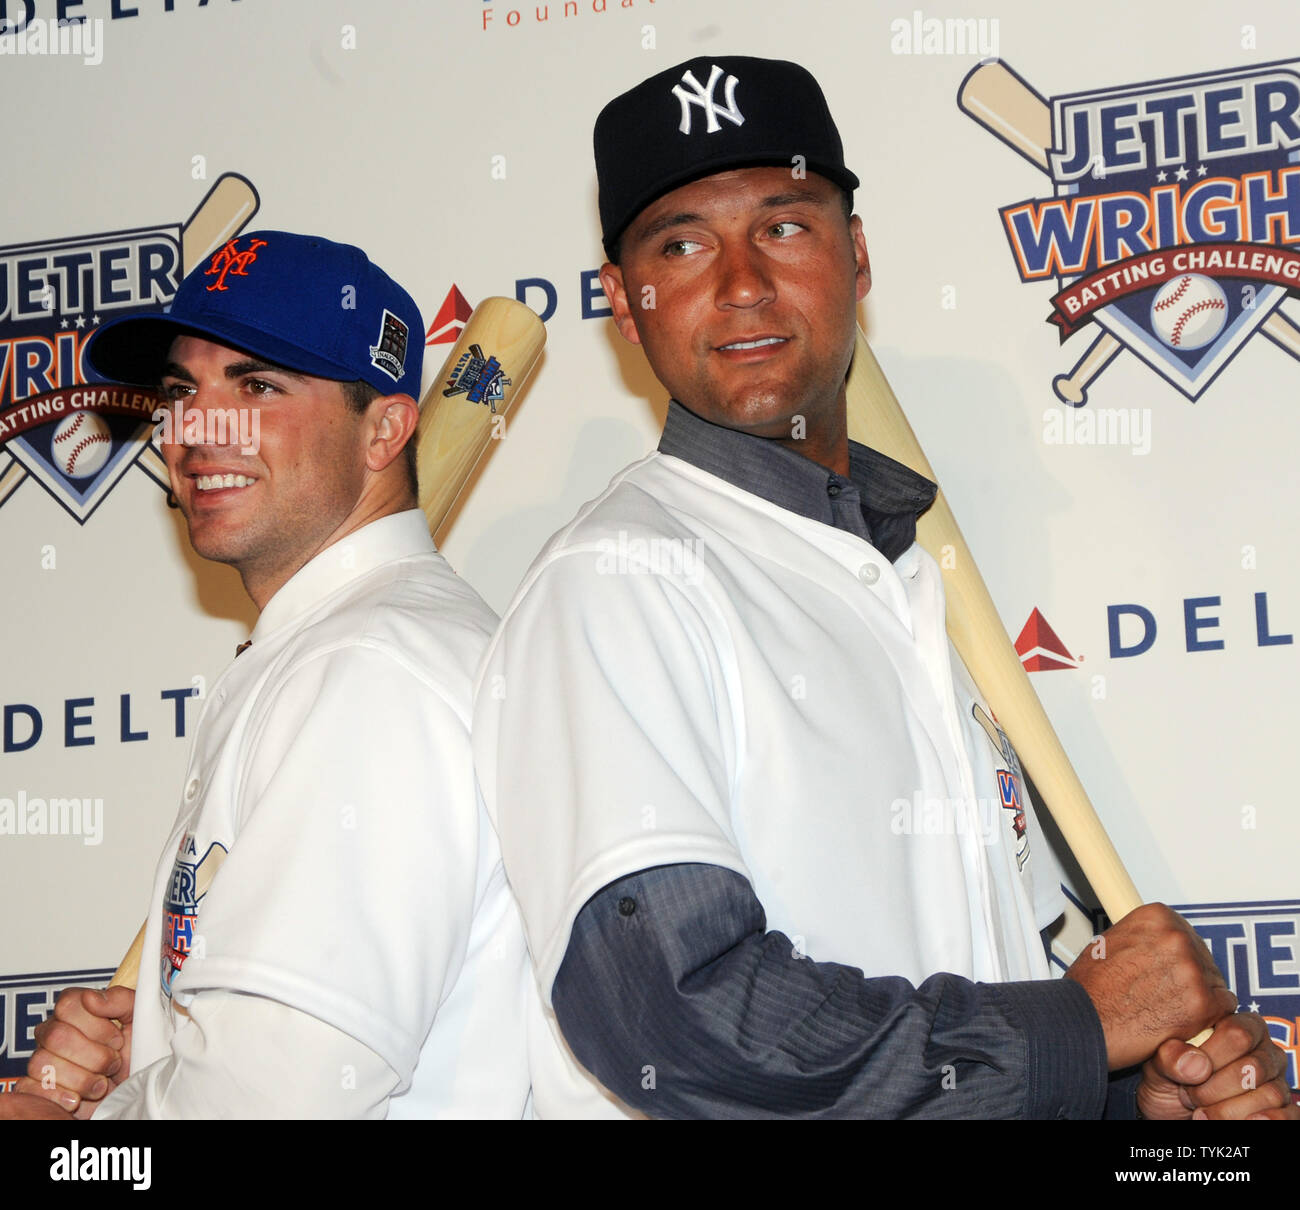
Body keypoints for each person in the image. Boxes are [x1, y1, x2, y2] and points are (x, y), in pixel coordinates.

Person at [472, 56, 1297, 1119]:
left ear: (855, 258)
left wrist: (1135, 1104)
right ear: (624, 309)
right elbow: (679, 1019)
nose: (740, 285)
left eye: (783, 225)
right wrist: (1074, 1030)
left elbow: (977, 984)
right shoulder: (615, 587)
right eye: (680, 245)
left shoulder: (905, 582)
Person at [7, 230, 528, 1119]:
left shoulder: (369, 671)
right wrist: (150, 1058)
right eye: (180, 391)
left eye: (256, 386)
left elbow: (274, 1102)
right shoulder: (330, 649)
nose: (198, 429)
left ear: (387, 429)